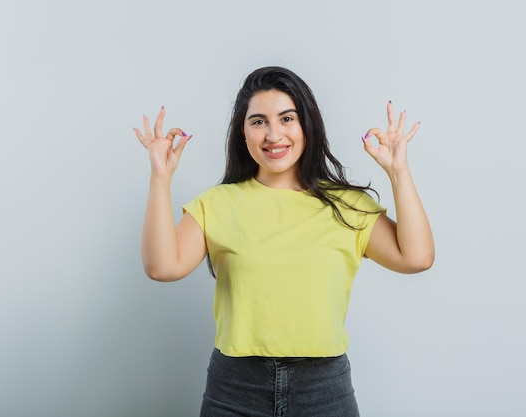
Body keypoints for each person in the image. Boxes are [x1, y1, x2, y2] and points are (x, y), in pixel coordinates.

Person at [133, 66, 434, 417]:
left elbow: (416, 258)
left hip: (323, 389)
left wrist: (399, 172)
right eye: (258, 121)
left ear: (307, 125)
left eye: (287, 118)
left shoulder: (346, 205)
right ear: (242, 133)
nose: (273, 134)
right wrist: (160, 177)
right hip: (235, 388)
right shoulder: (216, 203)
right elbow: (162, 267)